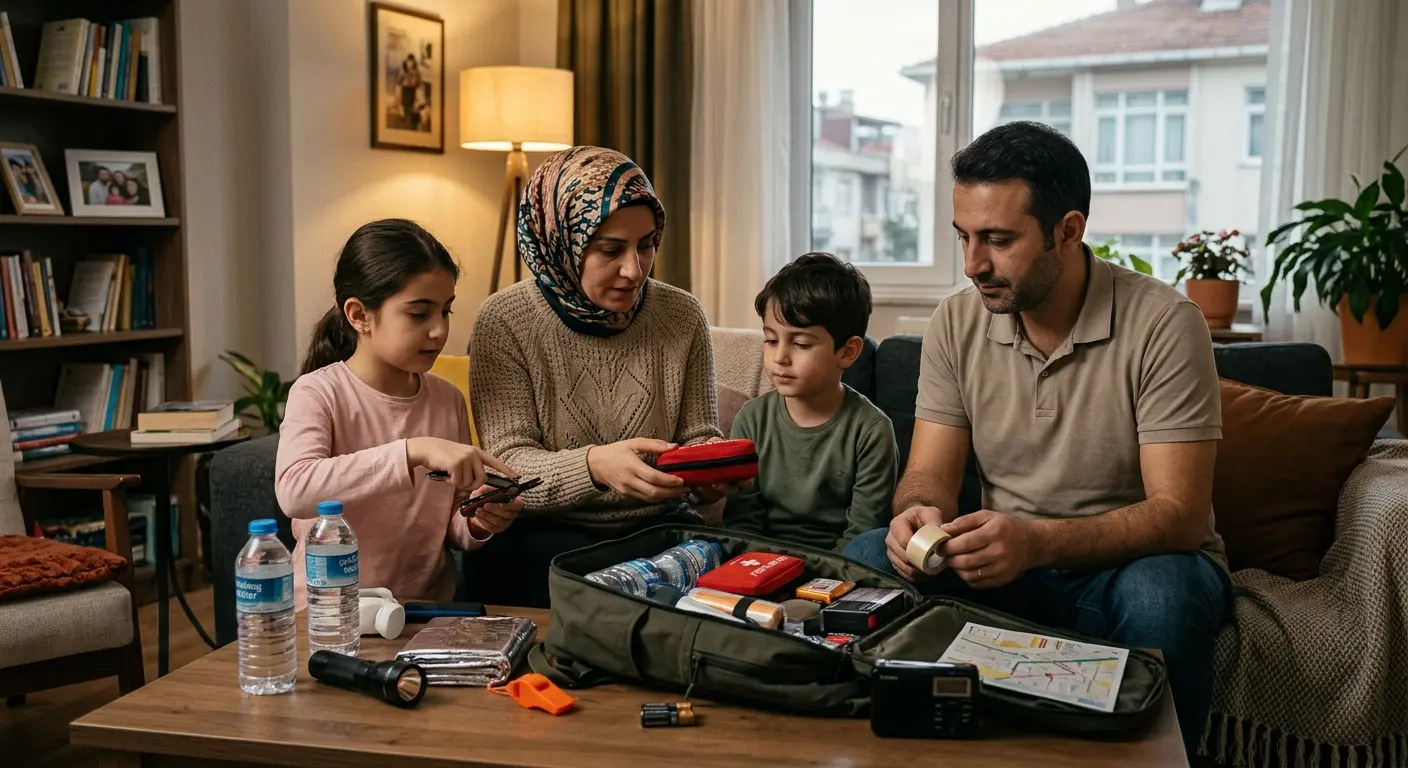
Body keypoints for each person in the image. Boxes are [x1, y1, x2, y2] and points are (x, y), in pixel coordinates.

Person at [842, 122, 1229, 754]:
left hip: (1125, 570)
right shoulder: (956, 322)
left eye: (998, 239)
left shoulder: (1165, 324)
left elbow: (1181, 517)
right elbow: (929, 476)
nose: (973, 265)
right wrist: (917, 517)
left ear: (1068, 231)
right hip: (1003, 567)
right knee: (864, 557)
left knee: (1165, 593)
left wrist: (1037, 541)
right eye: (964, 237)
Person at [466, 146, 735, 607]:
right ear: (561, 243)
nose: (634, 270)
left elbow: (698, 434)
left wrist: (710, 468)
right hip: (545, 533)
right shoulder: (504, 320)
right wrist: (593, 466)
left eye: (647, 244)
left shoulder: (682, 314)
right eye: (611, 249)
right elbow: (507, 464)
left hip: (658, 532)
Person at [275, 218, 522, 610]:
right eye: (418, 314)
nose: (439, 331)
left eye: (446, 312)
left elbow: (452, 521)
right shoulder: (318, 392)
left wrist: (478, 519)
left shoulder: (447, 399)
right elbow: (294, 492)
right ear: (359, 315)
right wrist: (411, 451)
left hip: (424, 612)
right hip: (329, 616)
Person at [723, 252, 897, 552]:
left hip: (841, 566)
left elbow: (862, 532)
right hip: (761, 560)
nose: (780, 357)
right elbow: (742, 521)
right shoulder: (751, 419)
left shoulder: (871, 431)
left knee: (875, 549)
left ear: (848, 352)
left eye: (801, 343)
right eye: (771, 340)